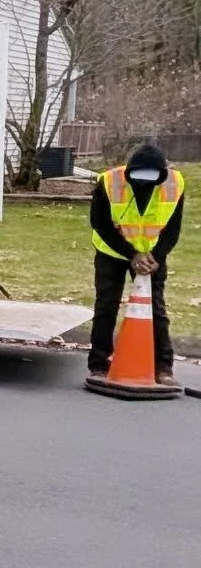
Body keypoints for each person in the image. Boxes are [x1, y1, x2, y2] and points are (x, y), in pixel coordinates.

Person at [88, 142, 185, 386]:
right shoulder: (109, 182)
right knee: (106, 306)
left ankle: (164, 367)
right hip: (113, 251)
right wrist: (131, 254)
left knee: (156, 309)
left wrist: (156, 257)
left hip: (151, 254)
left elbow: (173, 229)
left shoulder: (175, 184)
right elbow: (100, 223)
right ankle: (99, 364)